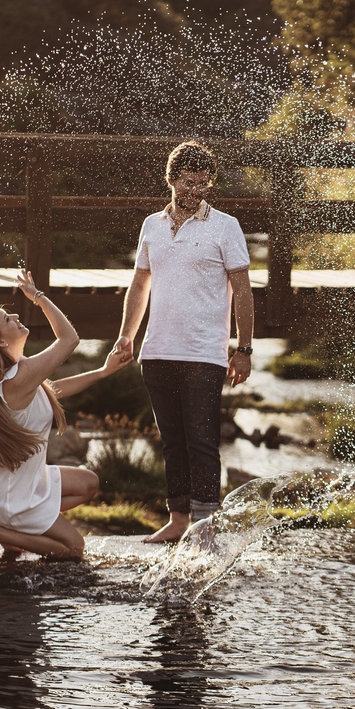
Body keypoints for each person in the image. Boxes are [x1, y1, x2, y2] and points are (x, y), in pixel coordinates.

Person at [114, 141, 255, 543]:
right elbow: (140, 284)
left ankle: (206, 528)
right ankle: (178, 521)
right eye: (189, 183)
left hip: (204, 353)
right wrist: (126, 336)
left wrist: (243, 349)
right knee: (172, 442)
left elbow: (243, 291)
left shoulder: (225, 227)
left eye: (204, 184)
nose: (196, 191)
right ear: (172, 179)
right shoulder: (151, 225)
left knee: (202, 441)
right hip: (156, 350)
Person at [0, 269, 132, 565]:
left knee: (88, 483)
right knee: (73, 549)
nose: (15, 318)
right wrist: (37, 296)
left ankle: (12, 527)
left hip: (7, 483)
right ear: (0, 342)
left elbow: (54, 390)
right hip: (6, 493)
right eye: (7, 319)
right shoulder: (19, 377)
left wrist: (104, 372)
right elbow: (69, 339)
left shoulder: (14, 377)